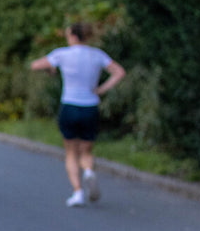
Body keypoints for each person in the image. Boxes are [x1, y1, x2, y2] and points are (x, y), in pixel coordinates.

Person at [29, 22, 127, 206]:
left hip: (69, 106)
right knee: (86, 151)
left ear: (73, 36)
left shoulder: (62, 54)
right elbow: (119, 72)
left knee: (71, 152)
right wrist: (101, 89)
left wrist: (51, 69)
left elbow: (35, 65)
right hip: (90, 106)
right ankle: (89, 171)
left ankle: (78, 192)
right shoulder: (97, 55)